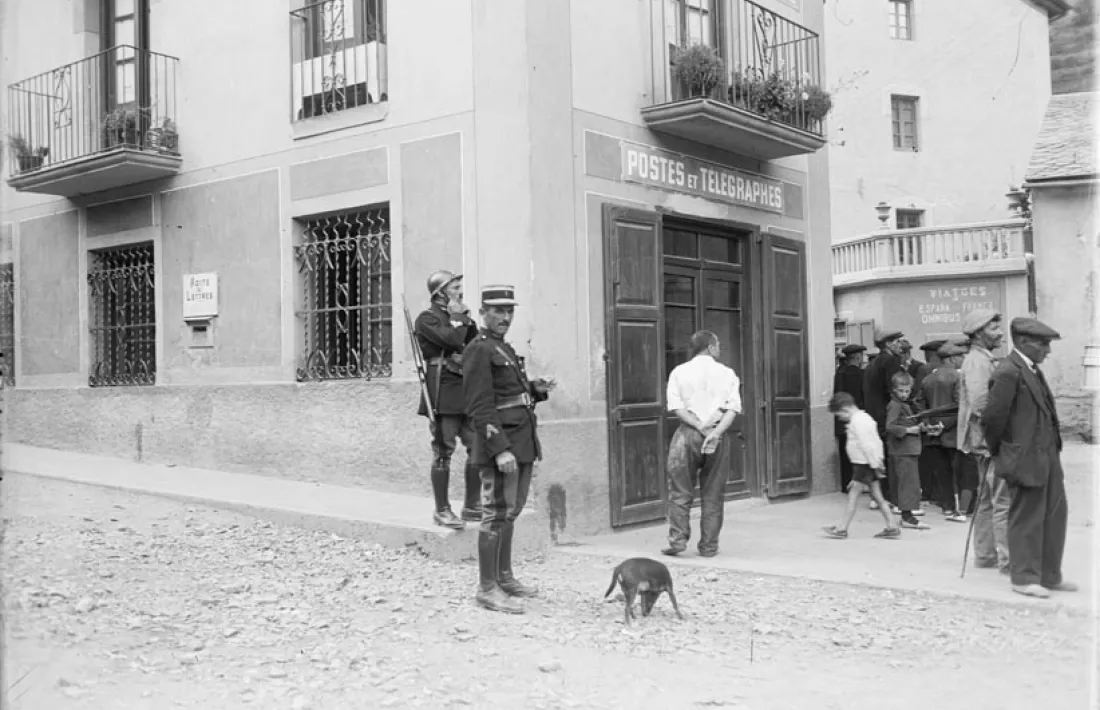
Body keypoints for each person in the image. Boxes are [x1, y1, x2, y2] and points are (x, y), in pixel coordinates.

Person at [463, 284, 557, 614]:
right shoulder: (479, 349)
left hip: (522, 441)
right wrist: (499, 448)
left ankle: (504, 577)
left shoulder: (502, 347)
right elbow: (479, 405)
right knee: (495, 513)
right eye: (498, 311)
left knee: (510, 512)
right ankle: (487, 588)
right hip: (501, 446)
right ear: (482, 313)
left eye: (510, 311)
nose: (505, 317)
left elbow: (509, 395)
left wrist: (535, 389)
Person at [984, 318, 1076, 599]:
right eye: (1043, 344)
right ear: (1023, 342)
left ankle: (1049, 575)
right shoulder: (1008, 371)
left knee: (1053, 514)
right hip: (1024, 458)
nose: (1047, 350)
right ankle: (1023, 577)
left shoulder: (1031, 369)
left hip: (1047, 456)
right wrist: (1001, 451)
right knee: (1027, 516)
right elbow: (992, 419)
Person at [661, 330, 742, 559]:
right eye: (718, 345)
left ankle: (677, 540)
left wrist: (699, 426)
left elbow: (677, 408)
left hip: (687, 435)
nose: (720, 349)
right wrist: (715, 432)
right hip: (717, 435)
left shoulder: (679, 372)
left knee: (680, 490)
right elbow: (732, 409)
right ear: (710, 347)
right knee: (714, 493)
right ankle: (708, 546)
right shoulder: (727, 373)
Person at [414, 270, 480, 530]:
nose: (460, 291)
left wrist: (464, 319)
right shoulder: (426, 319)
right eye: (454, 287)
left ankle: (472, 506)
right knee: (443, 450)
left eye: (459, 286)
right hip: (442, 389)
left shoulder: (460, 316)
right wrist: (458, 317)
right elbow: (452, 339)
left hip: (465, 388)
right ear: (440, 292)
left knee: (477, 446)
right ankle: (442, 510)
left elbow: (473, 343)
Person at [958, 309, 1011, 574]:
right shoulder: (978, 361)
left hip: (981, 441)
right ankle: (1008, 561)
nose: (1000, 332)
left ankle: (985, 555)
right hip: (990, 441)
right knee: (1004, 501)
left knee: (987, 500)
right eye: (993, 328)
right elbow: (981, 405)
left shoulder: (979, 359)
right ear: (979, 333)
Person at [822, 392, 900, 539]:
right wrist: (878, 462)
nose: (840, 418)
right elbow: (875, 443)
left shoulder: (858, 422)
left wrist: (874, 463)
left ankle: (842, 528)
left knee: (853, 496)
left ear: (845, 409)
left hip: (863, 465)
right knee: (878, 497)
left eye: (839, 415)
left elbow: (867, 445)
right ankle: (892, 525)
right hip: (868, 464)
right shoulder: (865, 419)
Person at [917, 338, 969, 522]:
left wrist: (929, 423)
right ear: (952, 358)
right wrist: (944, 425)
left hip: (933, 435)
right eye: (961, 356)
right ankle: (963, 509)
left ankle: (947, 506)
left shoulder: (928, 379)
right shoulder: (958, 377)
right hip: (954, 433)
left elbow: (920, 404)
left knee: (943, 472)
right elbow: (960, 406)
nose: (963, 359)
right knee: (961, 472)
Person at [863, 328, 906, 511]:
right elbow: (895, 389)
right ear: (888, 344)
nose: (900, 345)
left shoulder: (871, 364)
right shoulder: (891, 362)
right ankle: (891, 498)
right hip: (887, 416)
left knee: (878, 457)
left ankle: (877, 496)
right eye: (896, 341)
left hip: (873, 415)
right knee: (892, 458)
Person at [885, 372, 930, 530]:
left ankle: (907, 514)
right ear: (894, 390)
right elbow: (890, 426)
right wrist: (909, 430)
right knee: (907, 484)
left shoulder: (903, 404)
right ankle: (907, 516)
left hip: (907, 449)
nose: (904, 394)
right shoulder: (895, 405)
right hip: (903, 450)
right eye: (901, 391)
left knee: (910, 483)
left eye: (907, 391)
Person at [915, 338, 946, 502]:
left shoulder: (924, 369)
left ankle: (928, 492)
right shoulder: (947, 369)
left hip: (929, 419)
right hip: (946, 420)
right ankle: (939, 494)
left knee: (928, 460)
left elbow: (918, 396)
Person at [833, 343, 866, 492]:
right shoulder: (861, 374)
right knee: (858, 453)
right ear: (858, 357)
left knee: (845, 453)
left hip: (841, 419)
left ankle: (846, 485)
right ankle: (858, 483)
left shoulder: (839, 373)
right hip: (856, 418)